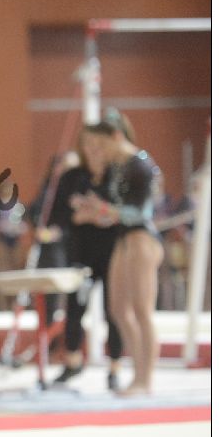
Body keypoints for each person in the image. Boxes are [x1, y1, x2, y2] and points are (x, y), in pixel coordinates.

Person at [77, 115, 164, 395]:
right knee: (118, 309)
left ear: (116, 136)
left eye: (101, 145)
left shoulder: (140, 165)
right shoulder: (118, 167)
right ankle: (137, 374)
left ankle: (145, 380)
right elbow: (115, 211)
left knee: (141, 310)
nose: (98, 152)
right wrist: (94, 212)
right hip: (123, 237)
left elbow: (140, 212)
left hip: (141, 238)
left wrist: (103, 209)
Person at [52, 130, 124, 388]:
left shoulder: (117, 176)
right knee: (75, 307)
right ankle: (72, 360)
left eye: (98, 144)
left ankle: (114, 367)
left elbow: (123, 212)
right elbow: (58, 214)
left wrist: (95, 213)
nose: (93, 150)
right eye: (88, 144)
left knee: (113, 311)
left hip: (112, 252)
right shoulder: (72, 177)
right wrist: (79, 216)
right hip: (81, 253)